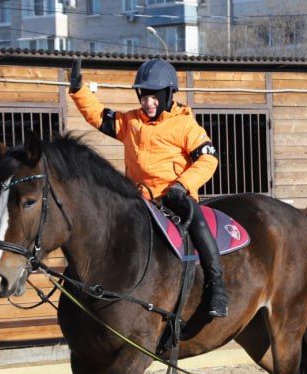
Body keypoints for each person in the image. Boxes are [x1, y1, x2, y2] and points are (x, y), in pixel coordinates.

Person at [68, 58, 228, 318]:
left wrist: (183, 185)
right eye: (143, 96)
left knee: (199, 222)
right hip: (139, 200)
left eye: (154, 97)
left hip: (174, 196)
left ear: (167, 95)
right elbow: (98, 115)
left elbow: (209, 158)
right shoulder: (131, 122)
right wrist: (78, 90)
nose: (148, 103)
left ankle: (217, 288)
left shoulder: (186, 125)